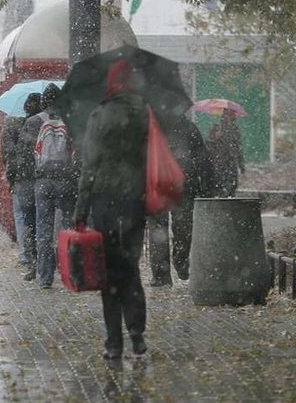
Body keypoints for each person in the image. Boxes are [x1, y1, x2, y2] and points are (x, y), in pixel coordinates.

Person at [73, 60, 149, 359]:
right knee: (130, 267)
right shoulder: (145, 114)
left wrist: (80, 210)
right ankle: (137, 332)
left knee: (109, 272)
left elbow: (89, 168)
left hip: (106, 201)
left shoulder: (100, 116)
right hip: (135, 201)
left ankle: (114, 343)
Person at [147, 115, 216, 286]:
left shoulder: (188, 128)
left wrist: (208, 184)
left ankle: (178, 263)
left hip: (180, 187)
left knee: (179, 227)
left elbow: (202, 159)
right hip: (162, 187)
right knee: (165, 229)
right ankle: (164, 274)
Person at [24, 84, 77, 287]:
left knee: (43, 230)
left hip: (43, 181)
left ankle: (45, 277)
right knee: (66, 227)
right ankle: (69, 273)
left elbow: (27, 155)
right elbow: (77, 154)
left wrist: (31, 179)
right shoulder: (70, 122)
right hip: (64, 181)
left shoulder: (33, 122)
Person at [1, 93, 42, 274]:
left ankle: (26, 254)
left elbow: (8, 152)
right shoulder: (44, 123)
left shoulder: (13, 124)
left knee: (23, 216)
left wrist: (11, 175)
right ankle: (42, 255)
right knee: (41, 217)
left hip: (22, 177)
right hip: (41, 176)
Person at [206, 109, 245, 197]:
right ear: (225, 115)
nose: (234, 116)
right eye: (231, 114)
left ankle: (229, 200)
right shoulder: (216, 128)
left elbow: (238, 147)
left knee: (232, 185)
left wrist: (241, 164)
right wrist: (215, 138)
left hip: (231, 161)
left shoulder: (235, 129)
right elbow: (208, 144)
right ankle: (221, 200)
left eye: (233, 114)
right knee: (220, 184)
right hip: (219, 162)